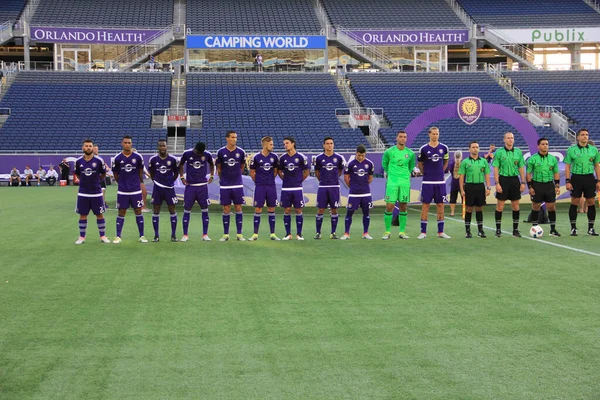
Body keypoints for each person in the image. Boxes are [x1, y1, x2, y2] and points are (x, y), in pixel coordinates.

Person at [74, 139, 111, 244]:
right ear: (83, 148)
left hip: (96, 192)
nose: (88, 147)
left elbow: (103, 174)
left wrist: (96, 181)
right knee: (82, 215)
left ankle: (103, 236)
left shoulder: (99, 161)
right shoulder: (78, 161)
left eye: (90, 146)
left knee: (100, 215)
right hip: (83, 192)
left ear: (93, 147)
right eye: (86, 146)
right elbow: (77, 174)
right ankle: (82, 237)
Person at [111, 135, 147, 243]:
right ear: (122, 144)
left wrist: (138, 183)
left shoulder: (138, 157)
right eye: (125, 143)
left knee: (138, 210)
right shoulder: (117, 158)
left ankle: (142, 236)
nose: (127, 144)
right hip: (123, 190)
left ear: (131, 144)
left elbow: (140, 172)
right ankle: (118, 236)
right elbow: (115, 174)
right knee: (121, 211)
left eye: (129, 143)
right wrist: (122, 183)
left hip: (135, 189)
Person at [564, 129, 600, 236]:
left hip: (589, 178)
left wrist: (598, 180)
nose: (585, 136)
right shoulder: (571, 150)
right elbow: (567, 166)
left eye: (587, 135)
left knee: (591, 202)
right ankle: (573, 228)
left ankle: (591, 228)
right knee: (574, 201)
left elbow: (597, 165)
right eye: (583, 135)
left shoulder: (594, 150)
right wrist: (567, 180)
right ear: (578, 137)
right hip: (576, 178)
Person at [417, 126, 451, 239]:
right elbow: (420, 164)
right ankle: (423, 232)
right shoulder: (423, 149)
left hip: (440, 182)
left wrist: (440, 172)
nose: (435, 136)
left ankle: (440, 232)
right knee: (425, 205)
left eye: (437, 134)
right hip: (427, 182)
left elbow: (445, 161)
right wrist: (425, 173)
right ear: (429, 134)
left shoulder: (444, 148)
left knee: (440, 205)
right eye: (433, 134)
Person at [382, 130, 416, 239]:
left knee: (403, 206)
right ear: (397, 138)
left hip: (404, 182)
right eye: (401, 136)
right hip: (392, 182)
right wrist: (391, 174)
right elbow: (384, 164)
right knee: (390, 205)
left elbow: (411, 167)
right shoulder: (389, 152)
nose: (403, 138)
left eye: (405, 137)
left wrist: (405, 175)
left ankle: (402, 232)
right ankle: (387, 232)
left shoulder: (410, 153)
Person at [492, 132, 526, 237]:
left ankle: (515, 230)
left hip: (514, 180)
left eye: (512, 138)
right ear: (504, 140)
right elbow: (495, 168)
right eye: (508, 138)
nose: (510, 140)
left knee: (515, 206)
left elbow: (521, 167)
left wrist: (523, 182)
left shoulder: (518, 152)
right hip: (503, 180)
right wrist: (497, 183)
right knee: (500, 206)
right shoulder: (499, 152)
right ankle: (498, 230)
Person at [179, 141, 214, 242]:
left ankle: (205, 234)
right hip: (190, 186)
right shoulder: (187, 153)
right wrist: (182, 177)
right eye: (199, 153)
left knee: (205, 209)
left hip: (202, 187)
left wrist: (211, 175)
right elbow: (180, 165)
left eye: (201, 153)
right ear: (195, 149)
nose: (200, 155)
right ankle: (185, 235)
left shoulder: (207, 154)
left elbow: (211, 164)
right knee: (187, 209)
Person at [526, 137, 561, 237]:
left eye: (546, 144)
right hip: (537, 184)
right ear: (538, 146)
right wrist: (530, 186)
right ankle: (534, 227)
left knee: (551, 206)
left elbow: (556, 172)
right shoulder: (532, 159)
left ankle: (553, 229)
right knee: (536, 206)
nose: (545, 146)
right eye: (543, 144)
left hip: (549, 185)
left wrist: (557, 185)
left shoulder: (553, 159)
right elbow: (528, 173)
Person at [216, 130, 246, 241]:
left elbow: (242, 167)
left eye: (236, 137)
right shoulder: (221, 152)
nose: (234, 139)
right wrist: (223, 179)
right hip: (225, 185)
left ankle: (239, 234)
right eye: (232, 137)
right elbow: (219, 168)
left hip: (237, 185)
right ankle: (225, 234)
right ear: (227, 138)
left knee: (238, 207)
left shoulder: (241, 152)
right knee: (226, 209)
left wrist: (237, 176)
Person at [249, 136, 280, 241]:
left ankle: (273, 234)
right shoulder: (256, 157)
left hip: (271, 186)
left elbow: (275, 171)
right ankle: (255, 234)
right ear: (265, 145)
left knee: (271, 208)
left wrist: (269, 179)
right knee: (258, 209)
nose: (273, 146)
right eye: (271, 144)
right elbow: (252, 172)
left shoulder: (274, 157)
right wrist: (258, 181)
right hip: (260, 186)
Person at [148, 139, 180, 242]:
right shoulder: (153, 160)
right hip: (157, 188)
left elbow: (176, 173)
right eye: (160, 146)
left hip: (169, 188)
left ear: (167, 147)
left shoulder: (173, 159)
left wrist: (170, 181)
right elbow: (151, 173)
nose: (162, 147)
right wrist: (157, 182)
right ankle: (156, 236)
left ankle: (174, 235)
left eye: (164, 146)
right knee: (156, 210)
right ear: (158, 147)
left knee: (172, 210)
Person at [341, 144, 374, 240]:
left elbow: (370, 178)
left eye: (363, 155)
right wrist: (352, 187)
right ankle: (346, 233)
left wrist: (364, 185)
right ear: (356, 153)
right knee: (349, 212)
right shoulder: (350, 164)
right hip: (354, 193)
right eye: (359, 155)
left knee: (366, 213)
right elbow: (346, 178)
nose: (361, 157)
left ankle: (365, 233)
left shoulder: (369, 164)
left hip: (366, 193)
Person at [278, 136, 309, 240]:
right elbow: (279, 171)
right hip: (286, 188)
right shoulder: (282, 158)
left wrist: (299, 181)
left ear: (293, 144)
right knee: (287, 210)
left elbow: (306, 172)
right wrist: (285, 179)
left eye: (287, 143)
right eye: (284, 144)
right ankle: (288, 234)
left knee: (298, 210)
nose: (285, 145)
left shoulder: (301, 157)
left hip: (297, 188)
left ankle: (299, 234)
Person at [314, 137, 345, 239]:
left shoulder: (339, 158)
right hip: (323, 186)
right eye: (327, 143)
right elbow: (317, 172)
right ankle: (318, 233)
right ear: (323, 145)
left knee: (334, 209)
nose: (329, 145)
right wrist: (323, 180)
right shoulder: (319, 158)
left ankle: (333, 233)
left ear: (333, 145)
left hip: (334, 187)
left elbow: (340, 171)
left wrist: (333, 178)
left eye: (331, 143)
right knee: (321, 209)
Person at [459, 141, 491, 238]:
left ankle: (480, 230)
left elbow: (487, 174)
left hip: (480, 186)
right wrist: (462, 190)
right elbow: (461, 177)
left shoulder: (483, 161)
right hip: (469, 187)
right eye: (473, 147)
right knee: (468, 209)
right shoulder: (465, 162)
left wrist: (488, 187)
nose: (475, 149)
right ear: (469, 149)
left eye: (477, 147)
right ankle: (467, 231)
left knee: (479, 208)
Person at [93, 144, 110, 208]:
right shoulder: (93, 158)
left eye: (97, 149)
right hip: (97, 177)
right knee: (101, 190)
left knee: (102, 190)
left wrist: (107, 169)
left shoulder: (99, 157)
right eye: (95, 149)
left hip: (102, 177)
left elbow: (104, 165)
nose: (96, 150)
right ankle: (101, 204)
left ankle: (102, 202)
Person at [446, 150, 462, 217]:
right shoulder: (463, 163)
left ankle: (452, 212)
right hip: (462, 183)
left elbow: (449, 170)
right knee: (463, 197)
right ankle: (463, 211)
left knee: (453, 198)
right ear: (461, 156)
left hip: (454, 183)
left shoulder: (451, 164)